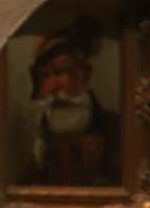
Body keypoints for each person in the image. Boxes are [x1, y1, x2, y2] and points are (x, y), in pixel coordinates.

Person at [20, 14, 121, 186]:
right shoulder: (40, 143)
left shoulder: (115, 131)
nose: (52, 86)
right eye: (44, 75)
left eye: (61, 71)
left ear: (85, 74)